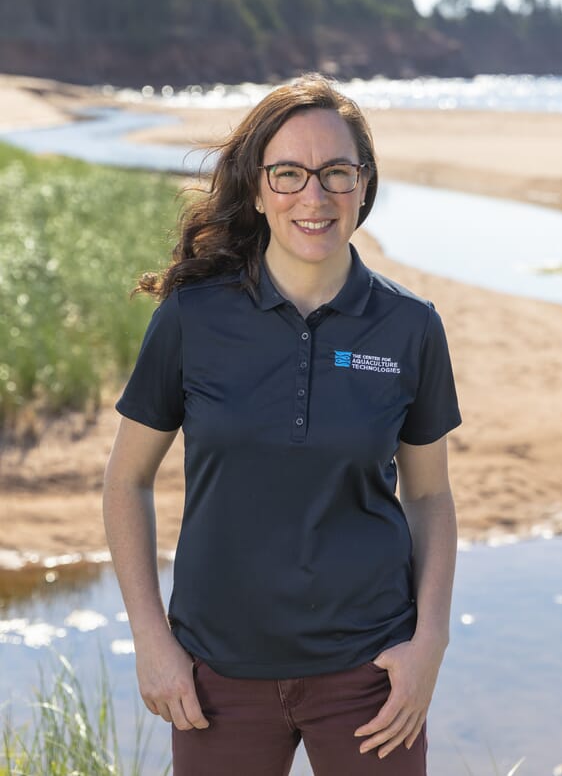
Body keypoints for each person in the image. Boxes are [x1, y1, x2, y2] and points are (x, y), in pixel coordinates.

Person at [103, 73, 461, 776]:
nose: (315, 197)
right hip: (215, 680)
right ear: (259, 189)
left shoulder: (411, 327)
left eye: (336, 173)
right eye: (290, 173)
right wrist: (152, 641)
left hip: (371, 677)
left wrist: (429, 647)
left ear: (364, 185)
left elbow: (429, 497)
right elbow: (125, 481)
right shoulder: (191, 318)